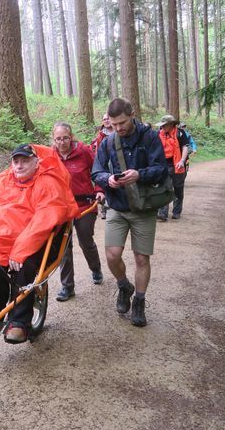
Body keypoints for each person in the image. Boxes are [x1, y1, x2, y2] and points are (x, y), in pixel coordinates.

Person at [0, 143, 80, 343]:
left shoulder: (47, 183)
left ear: (36, 162)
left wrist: (21, 250)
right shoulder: (3, 181)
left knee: (26, 265)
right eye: (16, 161)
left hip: (40, 242)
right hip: (5, 242)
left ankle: (20, 321)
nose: (19, 166)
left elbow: (44, 220)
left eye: (25, 161)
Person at [91, 98, 168, 327]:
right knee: (112, 255)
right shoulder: (108, 142)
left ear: (132, 114)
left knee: (141, 258)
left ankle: (139, 302)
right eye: (114, 125)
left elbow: (162, 170)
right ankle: (124, 286)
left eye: (122, 123)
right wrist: (109, 180)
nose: (118, 128)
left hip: (143, 208)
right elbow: (97, 172)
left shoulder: (150, 138)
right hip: (117, 206)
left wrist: (140, 174)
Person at [51, 122, 104, 303]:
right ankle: (68, 287)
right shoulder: (50, 156)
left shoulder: (84, 151)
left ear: (71, 136)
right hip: (61, 208)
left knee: (85, 240)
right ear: (53, 139)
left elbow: (98, 171)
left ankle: (95, 268)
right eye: (58, 138)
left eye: (65, 137)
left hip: (84, 206)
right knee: (63, 247)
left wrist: (99, 190)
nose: (62, 142)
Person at [155, 115, 189, 221]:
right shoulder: (159, 134)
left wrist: (182, 161)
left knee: (178, 188)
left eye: (164, 125)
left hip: (177, 164)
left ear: (171, 124)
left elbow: (185, 147)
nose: (162, 127)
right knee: (164, 188)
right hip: (164, 164)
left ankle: (176, 212)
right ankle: (162, 213)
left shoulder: (180, 133)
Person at [91, 113, 113, 219]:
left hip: (116, 163)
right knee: (103, 184)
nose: (106, 120)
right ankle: (104, 209)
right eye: (104, 119)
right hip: (104, 162)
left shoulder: (118, 132)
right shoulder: (100, 136)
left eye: (108, 119)